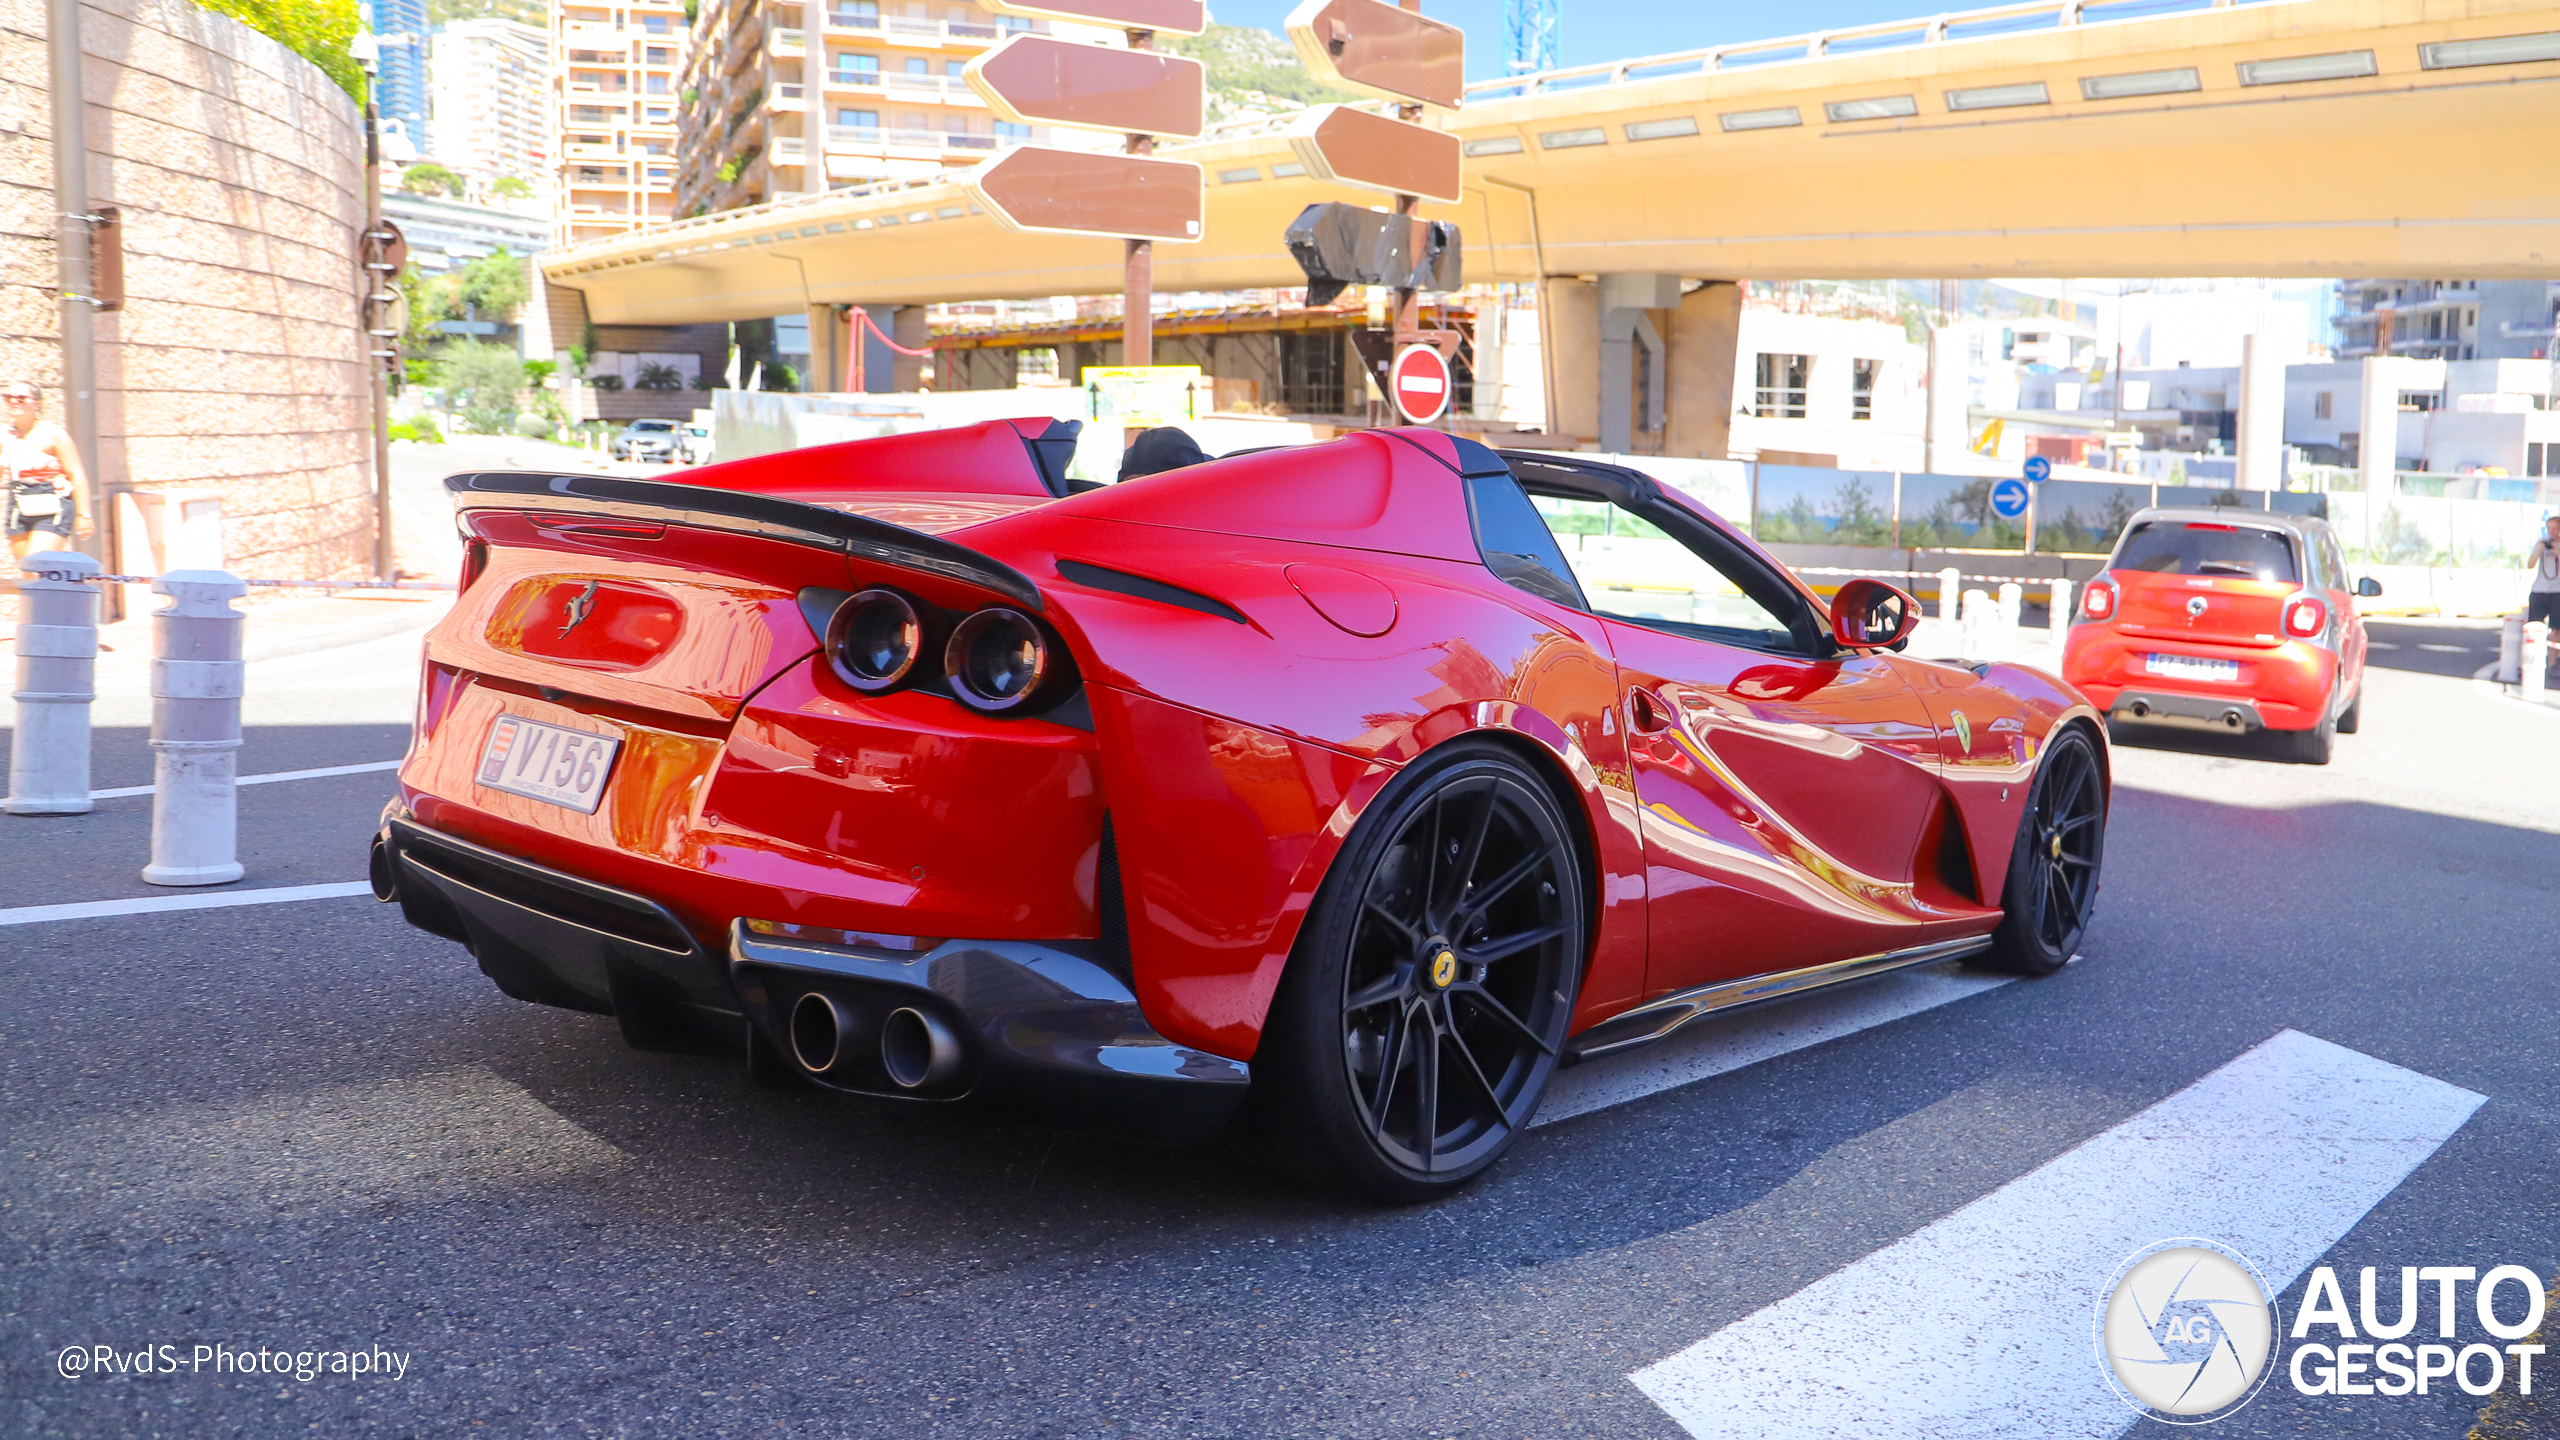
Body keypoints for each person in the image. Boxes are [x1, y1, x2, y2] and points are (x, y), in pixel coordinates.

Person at [4, 380, 89, 563]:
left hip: (52, 501)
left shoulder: (53, 434)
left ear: (37, 403)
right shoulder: (5, 436)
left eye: (21, 397)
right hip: (18, 502)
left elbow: (76, 473)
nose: (14, 401)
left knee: (37, 565)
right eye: (8, 397)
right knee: (26, 571)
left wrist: (84, 515)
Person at [2531, 514, 2560, 633]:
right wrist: (2540, 549)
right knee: (2534, 625)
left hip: (2557, 591)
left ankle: (2553, 652)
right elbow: (2530, 564)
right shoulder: (2541, 543)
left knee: (2556, 629)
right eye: (2549, 528)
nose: (2551, 532)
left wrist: (2556, 550)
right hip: (2540, 589)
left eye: (2554, 529)